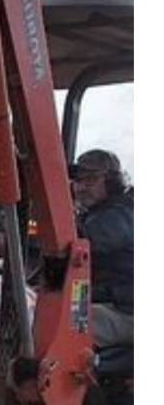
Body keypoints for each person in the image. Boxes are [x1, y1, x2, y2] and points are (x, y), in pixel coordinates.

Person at [72, 149, 133, 349]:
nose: (81, 187)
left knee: (67, 325)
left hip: (125, 310)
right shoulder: (92, 216)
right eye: (78, 181)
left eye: (90, 180)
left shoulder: (124, 214)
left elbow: (86, 240)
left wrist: (26, 240)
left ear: (112, 182)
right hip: (101, 300)